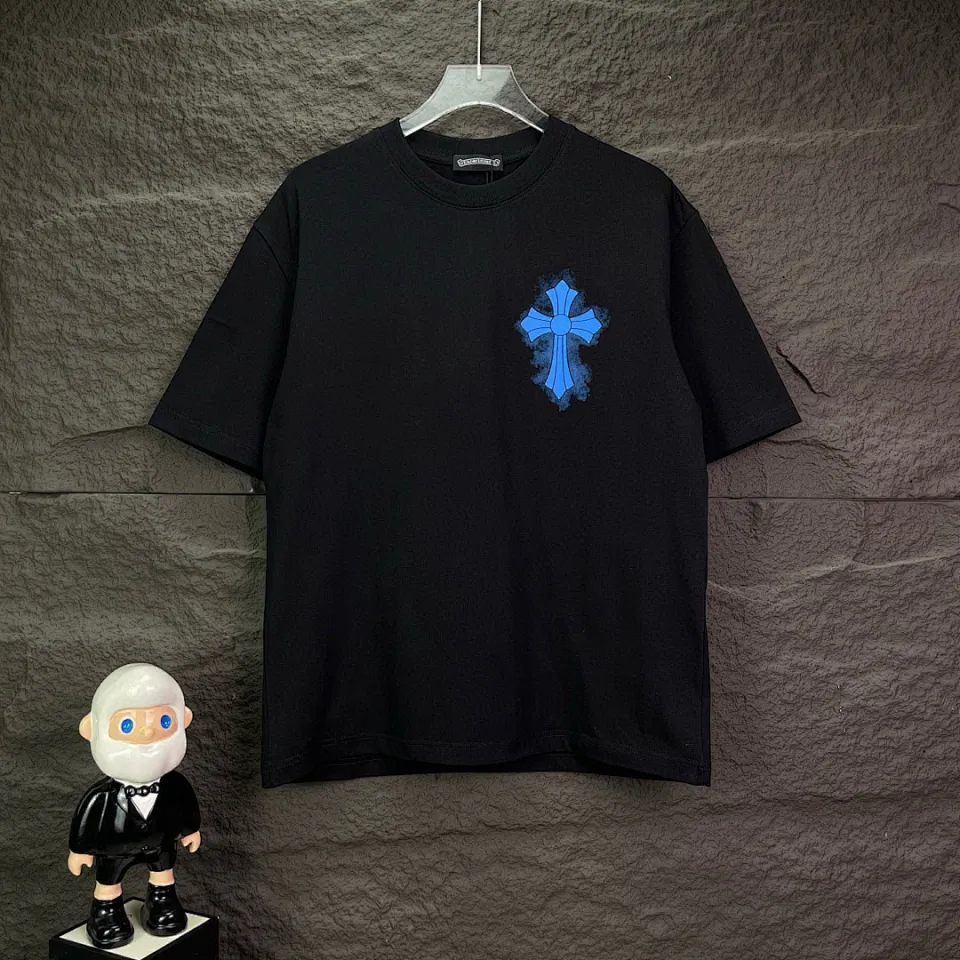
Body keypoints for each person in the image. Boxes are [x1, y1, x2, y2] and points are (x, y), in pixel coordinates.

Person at [66, 663, 202, 950]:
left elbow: (186, 804)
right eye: (127, 725)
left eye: (164, 721)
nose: (148, 731)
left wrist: (191, 830)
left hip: (161, 843)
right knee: (109, 880)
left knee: (163, 871)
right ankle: (106, 913)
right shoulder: (102, 797)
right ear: (91, 729)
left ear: (184, 719)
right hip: (115, 849)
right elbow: (86, 818)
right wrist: (80, 849)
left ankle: (162, 903)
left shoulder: (174, 786)